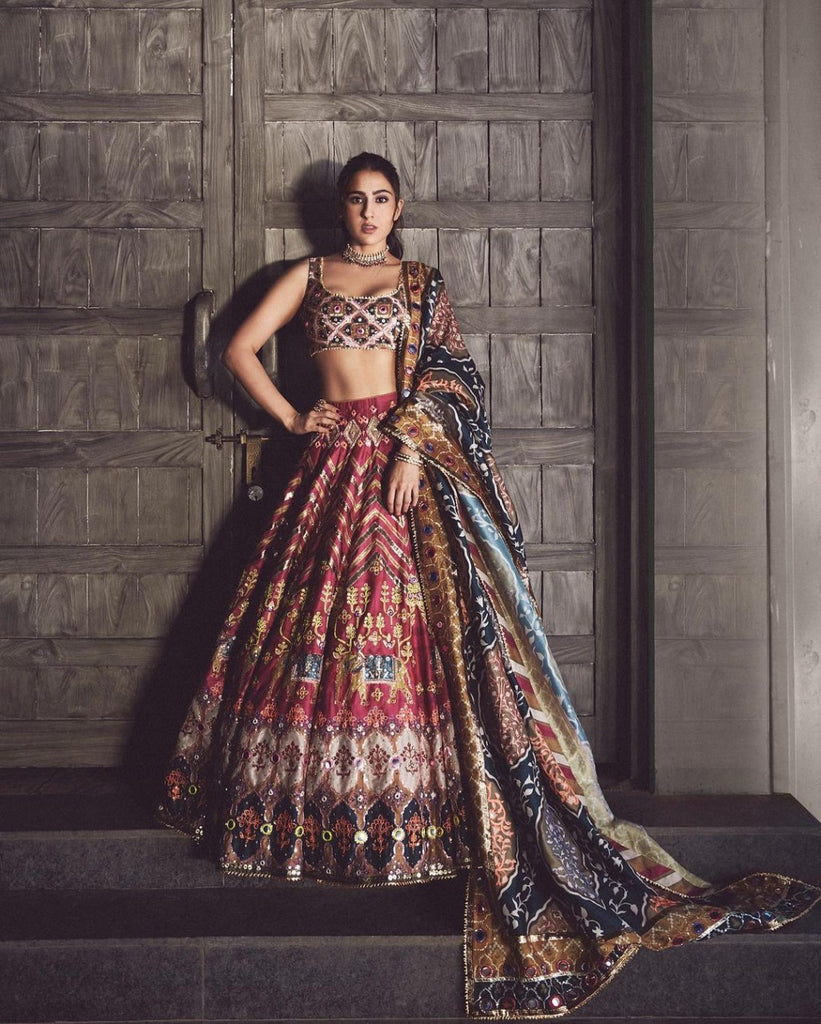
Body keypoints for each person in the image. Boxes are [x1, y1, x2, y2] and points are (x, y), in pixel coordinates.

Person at [158, 152, 820, 1018]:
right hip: (329, 468)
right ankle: (307, 819)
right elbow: (236, 348)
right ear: (340, 209)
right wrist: (289, 416)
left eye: (381, 200)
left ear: (398, 206)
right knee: (311, 634)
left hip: (406, 471)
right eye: (356, 200)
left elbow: (452, 379)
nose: (368, 213)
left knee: (418, 639)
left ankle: (432, 817)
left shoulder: (422, 284)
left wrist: (409, 448)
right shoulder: (306, 277)